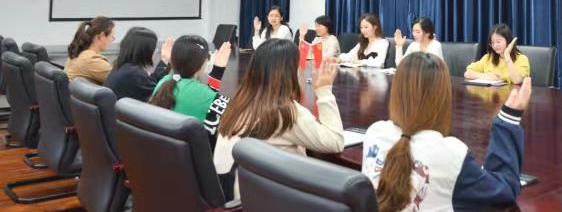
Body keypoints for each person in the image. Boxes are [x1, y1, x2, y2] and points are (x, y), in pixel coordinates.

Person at [363, 52, 530, 212]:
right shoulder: (451, 154)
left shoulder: (375, 133)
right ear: (442, 96)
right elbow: (503, 193)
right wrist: (508, 121)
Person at [214, 39, 344, 198]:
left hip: (229, 195)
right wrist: (324, 91)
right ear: (290, 72)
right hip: (258, 201)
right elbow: (335, 142)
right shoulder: (284, 111)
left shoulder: (239, 101)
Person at [149, 36, 232, 142]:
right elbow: (236, 117)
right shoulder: (204, 94)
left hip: (163, 147)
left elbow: (206, 102)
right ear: (203, 62)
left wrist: (217, 71)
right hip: (195, 150)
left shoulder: (164, 81)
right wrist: (218, 70)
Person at [105, 27, 173, 102]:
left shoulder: (123, 67)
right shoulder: (134, 73)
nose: (155, 51)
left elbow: (151, 82)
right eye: (154, 48)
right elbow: (157, 92)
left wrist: (165, 60)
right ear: (145, 50)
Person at [465, 23, 530, 85]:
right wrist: (485, 76)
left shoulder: (522, 58)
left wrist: (507, 56)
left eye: (498, 42)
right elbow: (467, 73)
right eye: (492, 42)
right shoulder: (488, 57)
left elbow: (517, 81)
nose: (495, 45)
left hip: (513, 92)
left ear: (508, 41)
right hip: (490, 92)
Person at [65, 16, 116, 84]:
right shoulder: (92, 60)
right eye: (112, 37)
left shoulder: (78, 53)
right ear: (102, 36)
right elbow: (120, 80)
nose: (112, 41)